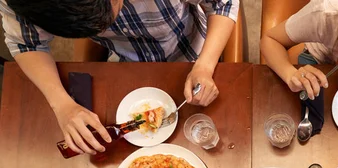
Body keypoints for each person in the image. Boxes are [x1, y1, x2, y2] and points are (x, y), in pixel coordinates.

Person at [0, 0, 238, 155]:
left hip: (193, 47)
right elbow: (26, 43)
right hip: (125, 65)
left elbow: (223, 3)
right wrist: (62, 104)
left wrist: (205, 66)